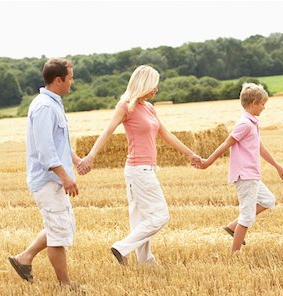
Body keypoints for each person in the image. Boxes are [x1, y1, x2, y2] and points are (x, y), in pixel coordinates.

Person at [77, 65, 201, 265]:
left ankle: (145, 261)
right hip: (138, 170)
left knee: (141, 219)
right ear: (144, 84)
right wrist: (90, 156)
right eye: (154, 86)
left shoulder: (150, 108)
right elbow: (108, 131)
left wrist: (190, 154)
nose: (157, 90)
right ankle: (122, 247)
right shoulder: (126, 106)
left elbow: (166, 135)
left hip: (146, 169)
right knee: (161, 215)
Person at [8, 58, 81, 287]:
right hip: (48, 181)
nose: (72, 82)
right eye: (70, 78)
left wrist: (75, 160)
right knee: (58, 233)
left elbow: (59, 142)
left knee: (62, 225)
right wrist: (65, 177)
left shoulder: (54, 103)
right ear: (58, 79)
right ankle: (65, 285)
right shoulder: (44, 107)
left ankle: (24, 258)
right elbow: (45, 149)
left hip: (55, 179)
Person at [196, 83, 283, 253]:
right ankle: (235, 254)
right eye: (263, 104)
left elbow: (260, 148)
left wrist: (278, 167)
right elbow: (227, 143)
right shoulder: (244, 124)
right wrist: (208, 161)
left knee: (268, 200)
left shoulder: (252, 123)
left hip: (252, 174)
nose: (264, 108)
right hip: (245, 175)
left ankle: (233, 227)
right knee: (247, 217)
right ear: (254, 103)